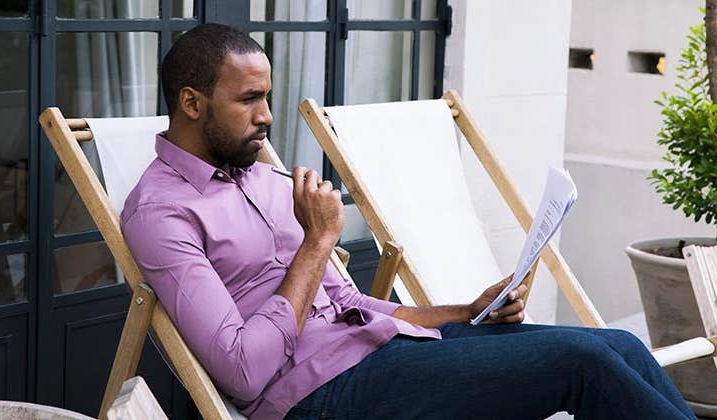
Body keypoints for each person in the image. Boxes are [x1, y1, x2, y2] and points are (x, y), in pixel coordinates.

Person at [121, 23, 695, 420]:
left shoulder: (259, 178)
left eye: (268, 96)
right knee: (586, 363)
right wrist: (318, 240)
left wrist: (466, 312)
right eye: (248, 99)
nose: (267, 116)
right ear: (193, 104)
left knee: (619, 345)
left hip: (384, 351)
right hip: (319, 396)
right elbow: (243, 371)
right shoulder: (161, 212)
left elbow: (356, 307)